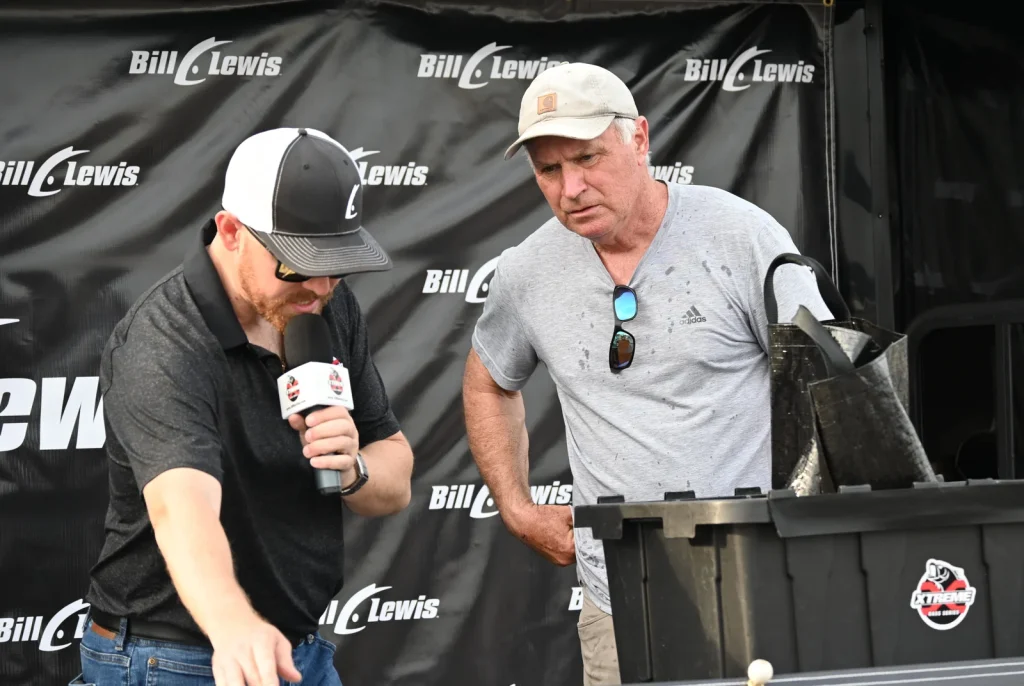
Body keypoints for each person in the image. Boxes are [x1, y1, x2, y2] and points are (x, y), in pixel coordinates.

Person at [461, 63, 833, 685]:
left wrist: (810, 540)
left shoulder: (741, 236)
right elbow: (488, 382)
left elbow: (830, 387)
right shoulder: (527, 272)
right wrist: (517, 507)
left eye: (588, 158)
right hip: (618, 605)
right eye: (549, 170)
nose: (571, 187)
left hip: (762, 586)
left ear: (639, 138)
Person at [71, 127, 414, 686]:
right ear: (231, 232)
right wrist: (234, 625)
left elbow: (395, 478)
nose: (320, 286)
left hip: (298, 649)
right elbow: (181, 507)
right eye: (297, 264)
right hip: (174, 656)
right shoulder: (165, 339)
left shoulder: (328, 303)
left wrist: (354, 469)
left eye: (337, 263)